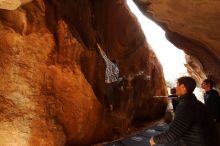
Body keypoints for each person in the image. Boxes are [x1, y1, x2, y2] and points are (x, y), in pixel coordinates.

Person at [149, 76, 218, 146]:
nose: (175, 87)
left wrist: (154, 139)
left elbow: (173, 134)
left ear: (182, 87)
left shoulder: (186, 106)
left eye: (177, 85)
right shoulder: (196, 103)